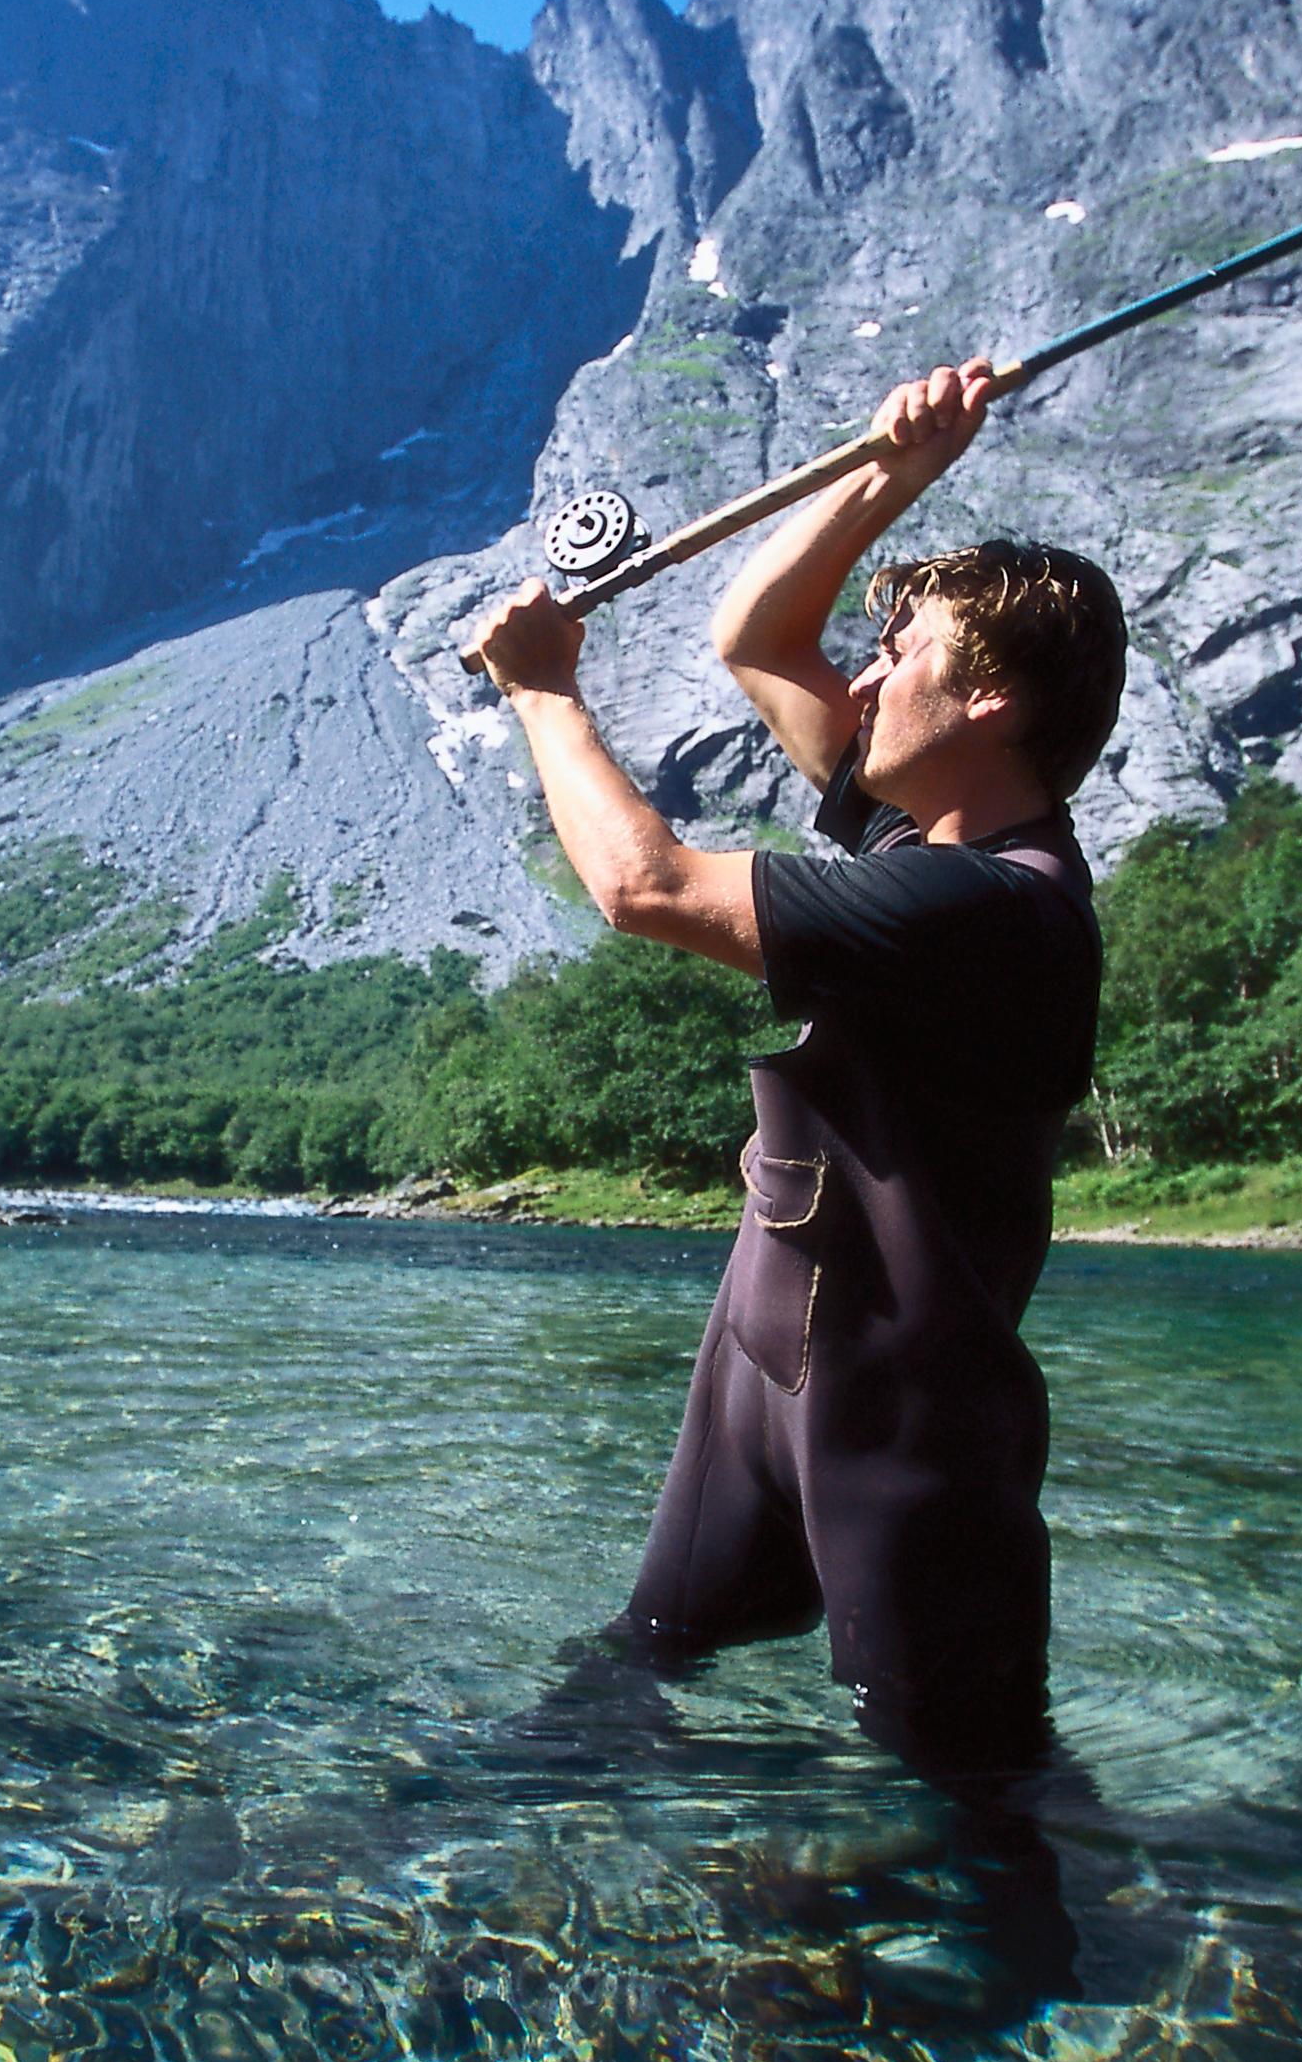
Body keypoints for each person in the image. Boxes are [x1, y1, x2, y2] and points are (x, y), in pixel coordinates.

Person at [466, 359, 1127, 1778]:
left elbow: (643, 888)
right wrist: (899, 468)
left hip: (907, 1422)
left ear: (994, 701)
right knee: (629, 1677)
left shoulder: (990, 908)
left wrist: (542, 698)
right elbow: (757, 643)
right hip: (767, 1376)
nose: (869, 675)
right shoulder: (919, 843)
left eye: (909, 656)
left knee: (972, 1790)